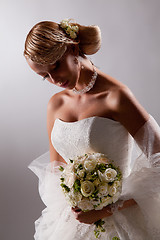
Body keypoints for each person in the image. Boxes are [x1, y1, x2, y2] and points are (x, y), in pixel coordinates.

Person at [24, 19, 160, 240]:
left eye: (56, 66)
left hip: (120, 221)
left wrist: (108, 209)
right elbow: (56, 169)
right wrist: (74, 204)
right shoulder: (56, 104)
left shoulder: (117, 97)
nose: (54, 79)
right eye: (44, 77)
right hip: (70, 224)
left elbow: (159, 159)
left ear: (73, 47)